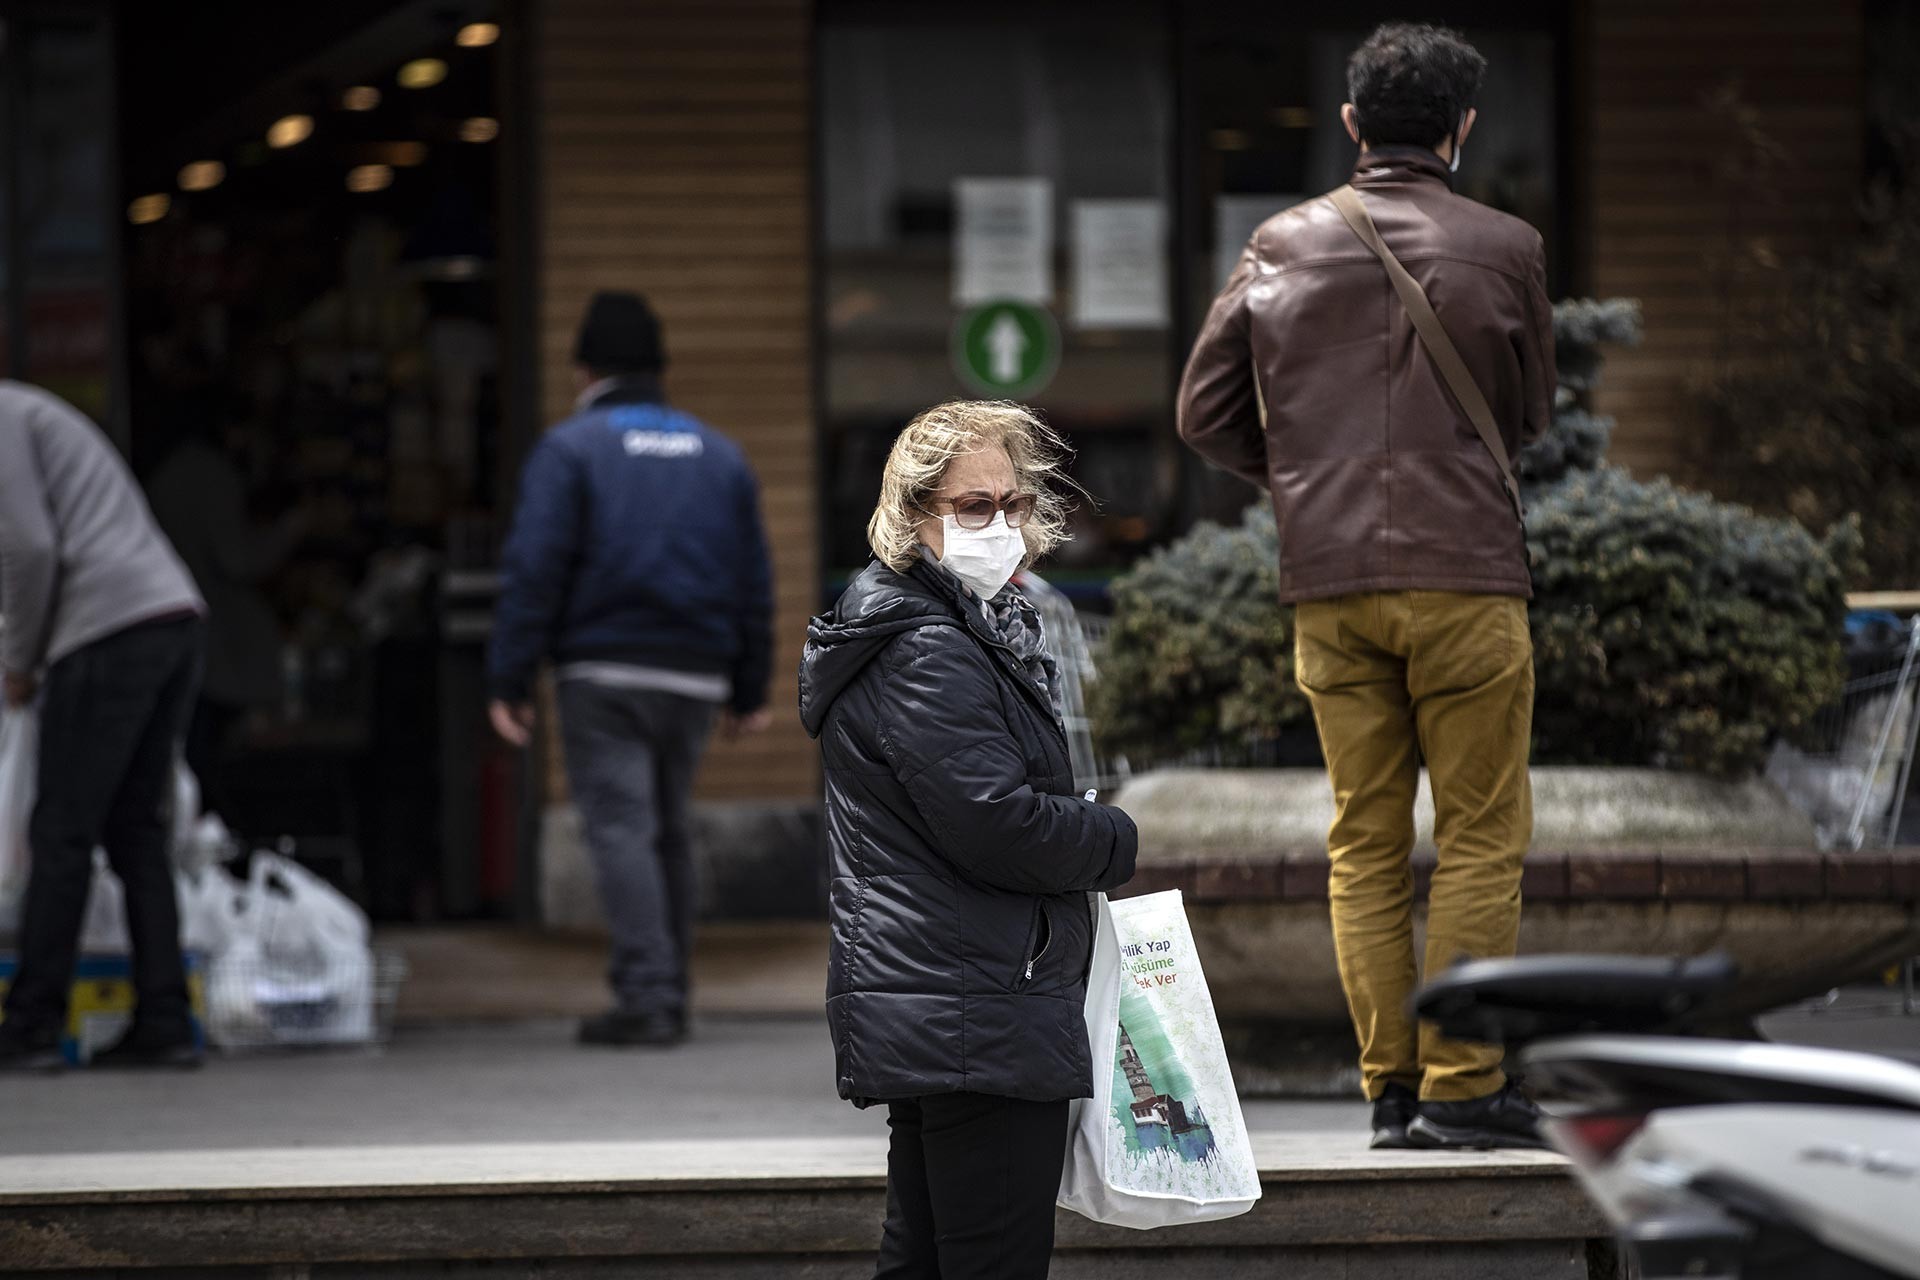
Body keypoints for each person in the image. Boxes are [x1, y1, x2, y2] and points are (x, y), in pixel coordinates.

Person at [1177, 23, 1554, 1151]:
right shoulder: (1509, 246)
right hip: (1467, 579)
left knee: (1365, 838)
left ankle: (1391, 1087)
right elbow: (1529, 417)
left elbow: (1203, 414)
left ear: (1350, 125)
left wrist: (1304, 477)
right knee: (1482, 836)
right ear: (1463, 128)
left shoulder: (1280, 242)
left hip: (1330, 582)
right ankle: (1464, 1082)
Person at [799, 401, 1138, 1278]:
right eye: (973, 507)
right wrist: (1113, 835)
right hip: (976, 1004)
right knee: (989, 1261)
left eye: (1014, 504)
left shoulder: (937, 629)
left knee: (925, 1261)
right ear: (913, 518)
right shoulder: (929, 649)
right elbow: (997, 824)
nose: (1001, 525)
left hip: (954, 998)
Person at [488, 290, 774, 1048]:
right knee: (667, 827)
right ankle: (670, 988)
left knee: (622, 830)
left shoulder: (572, 449)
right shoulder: (720, 454)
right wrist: (750, 684)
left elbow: (534, 568)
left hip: (604, 671)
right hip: (695, 674)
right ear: (660, 367)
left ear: (584, 369)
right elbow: (753, 577)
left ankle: (648, 996)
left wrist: (509, 677)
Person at [0, 381, 208, 1070]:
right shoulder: (31, 410)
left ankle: (31, 1025)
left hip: (107, 628)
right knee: (133, 830)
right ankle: (166, 1019)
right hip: (170, 617)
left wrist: (20, 660)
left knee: (61, 832)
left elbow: (30, 549)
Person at [147, 399, 304, 824]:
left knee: (193, 754)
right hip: (212, 638)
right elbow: (237, 559)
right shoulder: (209, 475)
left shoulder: (169, 474)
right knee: (208, 756)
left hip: (178, 633)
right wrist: (288, 533)